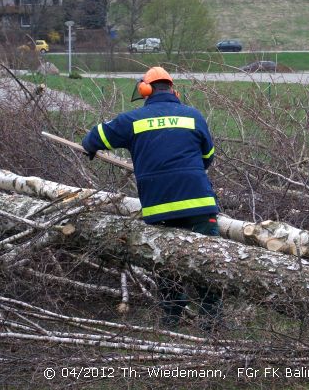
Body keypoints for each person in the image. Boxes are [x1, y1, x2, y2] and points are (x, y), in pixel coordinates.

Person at [82, 66, 222, 331]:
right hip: (199, 204)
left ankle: (172, 317)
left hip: (160, 209)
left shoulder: (131, 120)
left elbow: (95, 137)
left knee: (165, 261)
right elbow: (207, 158)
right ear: (173, 90)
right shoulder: (194, 116)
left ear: (145, 90)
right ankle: (211, 320)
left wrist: (90, 148)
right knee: (209, 261)